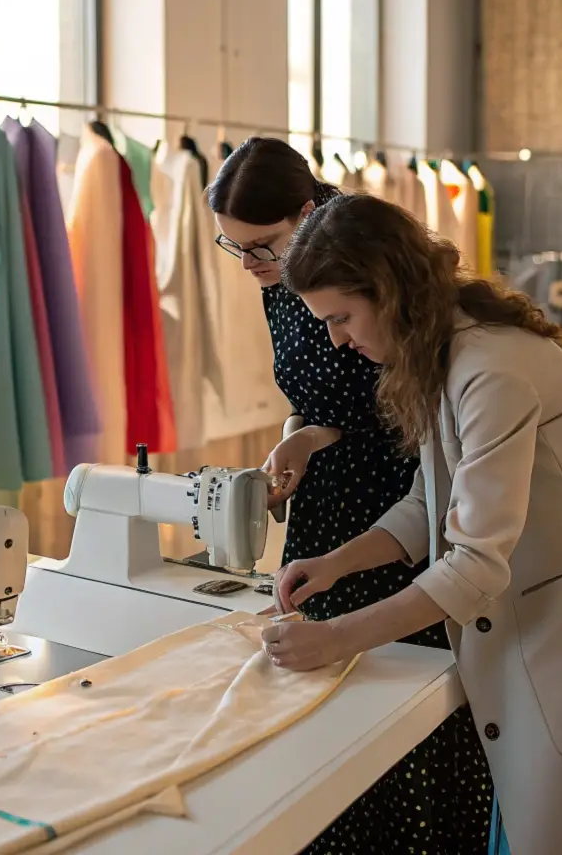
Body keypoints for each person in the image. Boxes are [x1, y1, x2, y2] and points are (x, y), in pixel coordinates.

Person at [264, 191, 562, 855]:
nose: (338, 339)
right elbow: (427, 503)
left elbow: (474, 563)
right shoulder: (444, 352)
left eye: (342, 317)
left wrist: (337, 637)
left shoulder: (492, 370)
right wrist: (337, 563)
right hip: (537, 623)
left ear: (386, 291)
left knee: (550, 828)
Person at [207, 138, 493, 854]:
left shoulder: (361, 264)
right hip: (331, 500)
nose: (250, 264)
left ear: (307, 214)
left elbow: (402, 408)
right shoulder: (283, 276)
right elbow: (315, 394)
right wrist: (297, 434)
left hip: (396, 493)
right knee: (322, 696)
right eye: (232, 247)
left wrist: (320, 439)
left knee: (400, 700)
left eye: (260, 246)